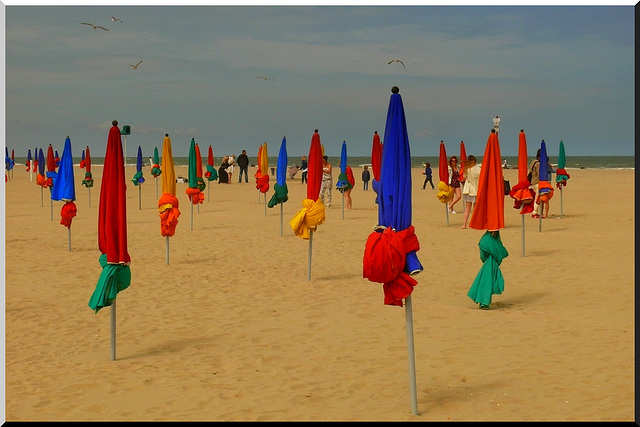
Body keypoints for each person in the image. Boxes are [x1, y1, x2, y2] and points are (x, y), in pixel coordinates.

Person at [461, 155, 481, 229]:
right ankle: (474, 223)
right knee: (475, 208)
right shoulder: (478, 169)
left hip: (468, 189)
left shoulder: (467, 169)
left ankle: (464, 224)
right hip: (475, 189)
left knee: (467, 208)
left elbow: (464, 177)